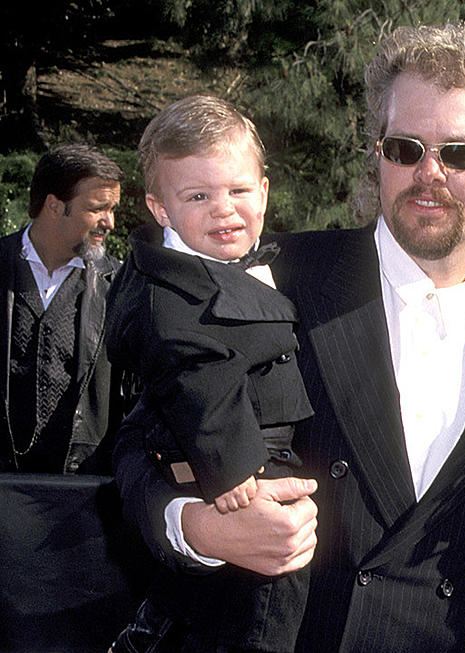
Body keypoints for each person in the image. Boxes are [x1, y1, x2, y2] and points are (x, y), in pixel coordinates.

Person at [113, 23, 465, 652]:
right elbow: (137, 447)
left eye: (460, 152)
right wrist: (198, 528)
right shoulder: (276, 277)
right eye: (405, 148)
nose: (430, 172)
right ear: (377, 154)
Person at [106, 95, 314, 652]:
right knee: (257, 619)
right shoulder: (166, 292)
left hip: (283, 490)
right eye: (199, 196)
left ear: (265, 193)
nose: (224, 209)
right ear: (160, 208)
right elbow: (196, 375)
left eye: (239, 191)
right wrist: (234, 479)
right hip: (235, 474)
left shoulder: (304, 262)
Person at [0, 143, 125, 474]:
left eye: (112, 209)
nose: (109, 223)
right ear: (54, 206)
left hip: (82, 491)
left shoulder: (121, 286)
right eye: (97, 208)